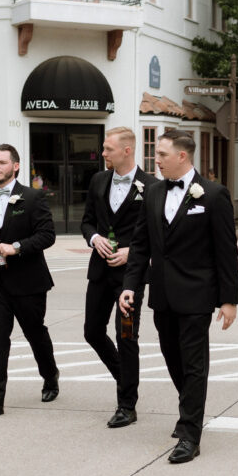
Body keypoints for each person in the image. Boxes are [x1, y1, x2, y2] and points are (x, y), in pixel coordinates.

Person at [119, 130, 238, 464]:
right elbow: (140, 245)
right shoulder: (154, 193)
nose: (155, 160)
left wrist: (229, 300)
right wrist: (130, 285)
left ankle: (190, 434)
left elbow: (226, 251)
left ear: (182, 156)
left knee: (194, 362)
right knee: (173, 357)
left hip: (198, 295)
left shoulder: (214, 195)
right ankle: (190, 408)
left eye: (161, 154)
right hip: (162, 295)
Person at [0, 144, 59, 421]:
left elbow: (47, 235)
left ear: (15, 166)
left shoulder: (32, 197)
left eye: (2, 163)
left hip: (29, 282)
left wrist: (16, 247)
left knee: (35, 333)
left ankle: (50, 376)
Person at [81, 127, 158, 428]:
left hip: (130, 278)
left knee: (126, 336)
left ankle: (127, 404)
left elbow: (157, 234)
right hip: (100, 272)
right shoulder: (98, 180)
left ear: (127, 150)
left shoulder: (150, 186)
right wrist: (94, 238)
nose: (103, 154)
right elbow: (87, 221)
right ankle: (126, 377)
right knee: (91, 331)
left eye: (108, 149)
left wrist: (132, 253)